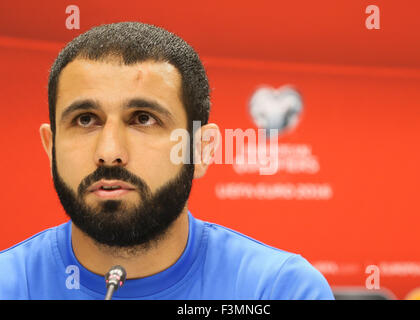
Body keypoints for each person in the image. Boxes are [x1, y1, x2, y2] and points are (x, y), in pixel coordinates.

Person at [0, 22, 334, 300]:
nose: (110, 151)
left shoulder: (279, 290)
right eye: (86, 120)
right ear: (51, 147)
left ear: (201, 149)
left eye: (143, 119)